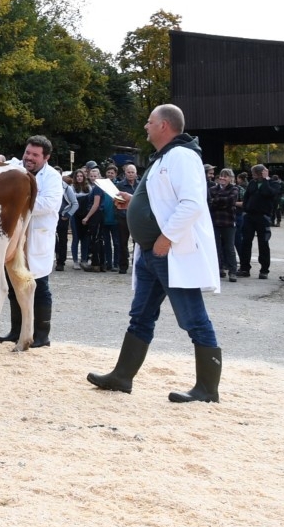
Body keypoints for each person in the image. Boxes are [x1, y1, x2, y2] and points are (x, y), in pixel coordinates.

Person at [86, 104, 223, 403]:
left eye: (150, 122)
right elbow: (163, 200)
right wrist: (133, 201)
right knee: (140, 316)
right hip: (151, 253)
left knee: (194, 318)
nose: (146, 127)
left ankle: (207, 389)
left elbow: (192, 203)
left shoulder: (183, 156)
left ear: (164, 125)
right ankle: (122, 376)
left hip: (168, 252)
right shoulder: (164, 157)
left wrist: (167, 238)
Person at [0, 135, 62, 347]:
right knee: (14, 284)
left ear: (46, 158)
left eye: (35, 155)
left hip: (37, 237)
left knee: (39, 286)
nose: (29, 158)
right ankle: (17, 331)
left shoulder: (52, 177)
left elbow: (49, 204)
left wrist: (18, 201)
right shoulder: (16, 168)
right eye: (27, 153)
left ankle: (42, 335)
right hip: (16, 238)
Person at [237, 165, 278, 279]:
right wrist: (245, 209)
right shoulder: (252, 183)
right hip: (249, 216)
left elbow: (267, 193)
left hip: (263, 217)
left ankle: (264, 270)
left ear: (261, 173)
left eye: (254, 173)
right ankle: (245, 268)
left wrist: (266, 180)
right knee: (246, 242)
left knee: (263, 243)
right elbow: (246, 197)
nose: (252, 175)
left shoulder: (273, 183)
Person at [208, 168, 239, 282]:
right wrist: (221, 200)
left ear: (231, 178)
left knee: (229, 248)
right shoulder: (212, 189)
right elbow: (210, 203)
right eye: (221, 176)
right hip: (215, 221)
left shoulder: (234, 189)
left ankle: (232, 271)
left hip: (228, 222)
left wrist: (216, 200)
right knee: (216, 247)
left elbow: (230, 201)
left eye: (225, 176)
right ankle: (218, 269)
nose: (222, 178)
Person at [114, 163, 139, 274]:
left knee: (137, 243)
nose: (130, 174)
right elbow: (115, 200)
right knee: (122, 242)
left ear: (136, 173)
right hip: (123, 217)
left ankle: (136, 265)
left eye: (132, 172)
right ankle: (123, 266)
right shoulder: (120, 185)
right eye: (128, 172)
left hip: (136, 218)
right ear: (125, 173)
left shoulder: (140, 185)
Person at [55, 171, 78, 271]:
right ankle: (56, 255)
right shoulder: (47, 186)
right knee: (50, 239)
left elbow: (75, 203)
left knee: (63, 239)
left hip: (62, 216)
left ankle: (61, 262)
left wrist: (68, 214)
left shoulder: (67, 188)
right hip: (50, 216)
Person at [69, 168, 91, 269]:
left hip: (85, 214)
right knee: (76, 238)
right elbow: (72, 198)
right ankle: (75, 261)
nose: (79, 178)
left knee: (85, 238)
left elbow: (90, 198)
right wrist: (84, 196)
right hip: (75, 214)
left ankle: (84, 260)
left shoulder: (88, 187)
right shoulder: (72, 187)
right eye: (77, 176)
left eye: (81, 176)